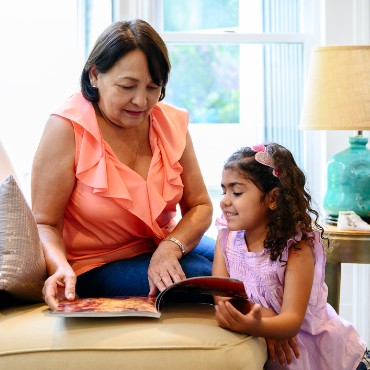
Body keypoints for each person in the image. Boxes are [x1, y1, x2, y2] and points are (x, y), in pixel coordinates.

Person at [31, 19, 215, 311]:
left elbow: (201, 205)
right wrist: (59, 268)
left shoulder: (170, 122)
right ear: (95, 75)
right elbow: (45, 223)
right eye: (127, 86)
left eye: (153, 87)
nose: (141, 101)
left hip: (159, 243)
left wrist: (169, 247)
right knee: (202, 275)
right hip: (96, 263)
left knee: (245, 259)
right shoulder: (66, 128)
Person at [212, 143, 369, 370]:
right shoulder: (226, 239)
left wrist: (257, 325)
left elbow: (291, 321)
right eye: (223, 190)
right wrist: (265, 319)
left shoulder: (296, 249)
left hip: (333, 358)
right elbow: (221, 297)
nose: (225, 200)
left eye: (236, 192)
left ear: (273, 198)